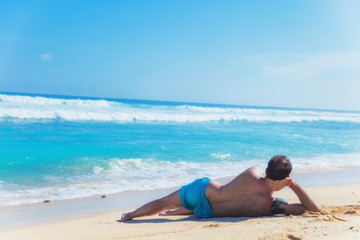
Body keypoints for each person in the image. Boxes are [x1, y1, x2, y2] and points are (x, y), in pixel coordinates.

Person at [120, 155, 321, 221]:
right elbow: (314, 209)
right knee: (203, 207)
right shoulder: (273, 206)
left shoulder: (251, 172)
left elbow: (245, 189)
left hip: (203, 191)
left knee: (164, 201)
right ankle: (176, 211)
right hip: (208, 213)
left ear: (267, 169)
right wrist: (293, 184)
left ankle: (130, 215)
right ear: (285, 179)